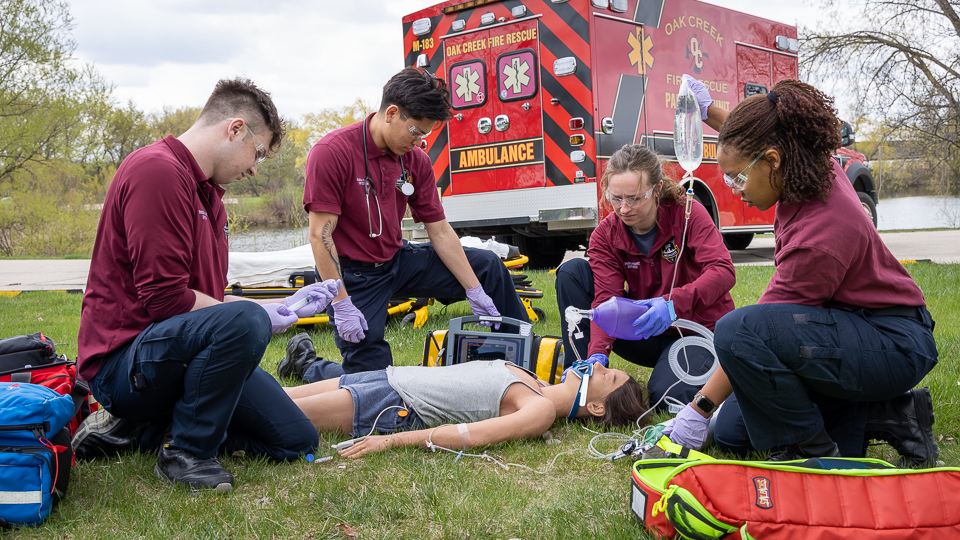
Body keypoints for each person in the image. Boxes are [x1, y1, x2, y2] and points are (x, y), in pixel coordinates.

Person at [73, 78, 340, 492]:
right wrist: (257, 315)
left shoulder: (209, 196)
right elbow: (165, 299)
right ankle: (185, 451)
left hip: (174, 353)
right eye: (258, 152)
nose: (254, 168)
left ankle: (141, 431)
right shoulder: (156, 172)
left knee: (296, 440)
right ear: (235, 129)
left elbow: (209, 303)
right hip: (123, 362)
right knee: (247, 320)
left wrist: (283, 305)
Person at [664, 78, 939, 465]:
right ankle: (896, 416)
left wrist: (700, 407)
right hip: (851, 327)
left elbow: (752, 337)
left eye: (737, 177)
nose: (734, 189)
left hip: (891, 342)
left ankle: (814, 452)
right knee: (733, 434)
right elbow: (766, 136)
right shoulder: (806, 161)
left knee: (736, 330)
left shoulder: (821, 233)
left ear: (773, 161)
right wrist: (710, 113)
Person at [298, 67, 528, 383]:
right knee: (373, 381)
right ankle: (309, 365)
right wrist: (341, 302)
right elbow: (319, 234)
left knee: (488, 266)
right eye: (417, 132)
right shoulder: (332, 153)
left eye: (427, 134)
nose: (420, 141)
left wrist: (474, 288)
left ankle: (516, 361)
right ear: (391, 113)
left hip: (397, 260)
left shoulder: (415, 160)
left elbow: (440, 230)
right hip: (354, 274)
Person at [555, 137, 736, 412]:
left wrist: (673, 304)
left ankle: (688, 370)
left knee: (664, 398)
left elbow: (723, 272)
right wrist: (597, 352)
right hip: (644, 329)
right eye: (615, 198)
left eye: (634, 198)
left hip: (694, 333)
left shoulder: (688, 215)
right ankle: (580, 376)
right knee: (573, 272)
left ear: (657, 188)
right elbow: (606, 298)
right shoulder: (606, 234)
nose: (623, 209)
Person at [284, 345, 649, 457]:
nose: (600, 367)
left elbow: (467, 436)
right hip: (390, 376)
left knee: (274, 413)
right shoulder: (536, 383)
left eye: (609, 376)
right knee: (274, 395)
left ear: (598, 407)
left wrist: (388, 441)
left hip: (394, 404)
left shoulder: (540, 410)